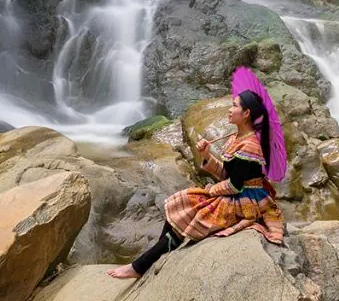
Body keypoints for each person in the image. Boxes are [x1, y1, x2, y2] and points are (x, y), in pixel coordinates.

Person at [107, 90, 285, 278]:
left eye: (234, 105)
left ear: (246, 113)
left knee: (192, 212)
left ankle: (139, 266)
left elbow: (235, 185)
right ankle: (155, 258)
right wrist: (206, 154)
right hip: (235, 191)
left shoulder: (250, 145)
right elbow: (226, 173)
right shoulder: (235, 138)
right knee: (179, 202)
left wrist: (211, 190)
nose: (229, 110)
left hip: (247, 199)